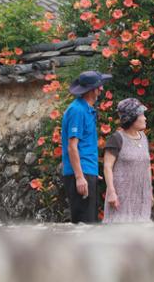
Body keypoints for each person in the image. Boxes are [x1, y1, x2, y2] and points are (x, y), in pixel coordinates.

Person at [61, 70, 112, 223]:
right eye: (99, 86)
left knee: (91, 222)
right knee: (84, 225)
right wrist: (80, 177)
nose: (102, 89)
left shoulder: (87, 109)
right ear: (92, 90)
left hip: (87, 172)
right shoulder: (77, 110)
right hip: (80, 174)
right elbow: (72, 146)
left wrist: (91, 172)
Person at [102, 98, 153, 223]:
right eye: (141, 115)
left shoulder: (144, 138)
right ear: (132, 118)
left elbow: (147, 167)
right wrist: (112, 193)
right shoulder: (116, 139)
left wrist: (149, 191)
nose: (145, 118)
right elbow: (107, 167)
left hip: (141, 198)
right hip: (121, 199)